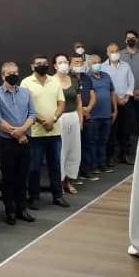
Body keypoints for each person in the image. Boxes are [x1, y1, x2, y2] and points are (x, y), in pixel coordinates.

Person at [0, 62, 36, 225]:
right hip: (6, 142)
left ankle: (22, 208)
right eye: (9, 73)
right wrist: (16, 133)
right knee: (8, 178)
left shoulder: (26, 92)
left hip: (25, 140)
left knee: (23, 176)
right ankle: (10, 211)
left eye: (15, 72)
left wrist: (22, 131)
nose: (13, 75)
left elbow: (32, 115)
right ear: (3, 76)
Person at [22, 55, 68, 209]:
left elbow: (61, 104)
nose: (42, 65)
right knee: (34, 167)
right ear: (32, 66)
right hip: (35, 133)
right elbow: (25, 106)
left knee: (55, 166)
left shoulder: (54, 81)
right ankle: (34, 197)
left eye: (44, 63)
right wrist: (43, 121)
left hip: (54, 131)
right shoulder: (26, 83)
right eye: (38, 63)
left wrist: (53, 119)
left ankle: (58, 195)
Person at [79, 55, 116, 177]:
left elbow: (112, 93)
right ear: (89, 64)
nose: (97, 64)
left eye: (99, 62)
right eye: (94, 62)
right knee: (92, 142)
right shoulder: (86, 78)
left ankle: (102, 164)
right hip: (93, 116)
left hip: (106, 114)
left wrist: (115, 110)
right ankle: (92, 166)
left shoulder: (106, 76)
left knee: (103, 141)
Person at [100, 43, 135, 166]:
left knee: (125, 129)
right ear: (107, 53)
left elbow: (131, 82)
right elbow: (105, 85)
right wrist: (115, 99)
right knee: (111, 130)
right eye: (111, 51)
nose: (114, 53)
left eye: (116, 51)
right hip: (110, 103)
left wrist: (126, 97)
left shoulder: (126, 65)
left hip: (125, 101)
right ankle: (110, 156)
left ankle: (124, 154)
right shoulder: (102, 67)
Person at [53, 54, 84, 196]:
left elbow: (79, 102)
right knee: (61, 151)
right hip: (59, 119)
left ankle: (69, 181)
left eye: (65, 61)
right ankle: (58, 183)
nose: (64, 64)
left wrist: (80, 120)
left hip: (73, 117)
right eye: (60, 62)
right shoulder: (51, 81)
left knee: (74, 150)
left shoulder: (74, 80)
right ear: (55, 65)